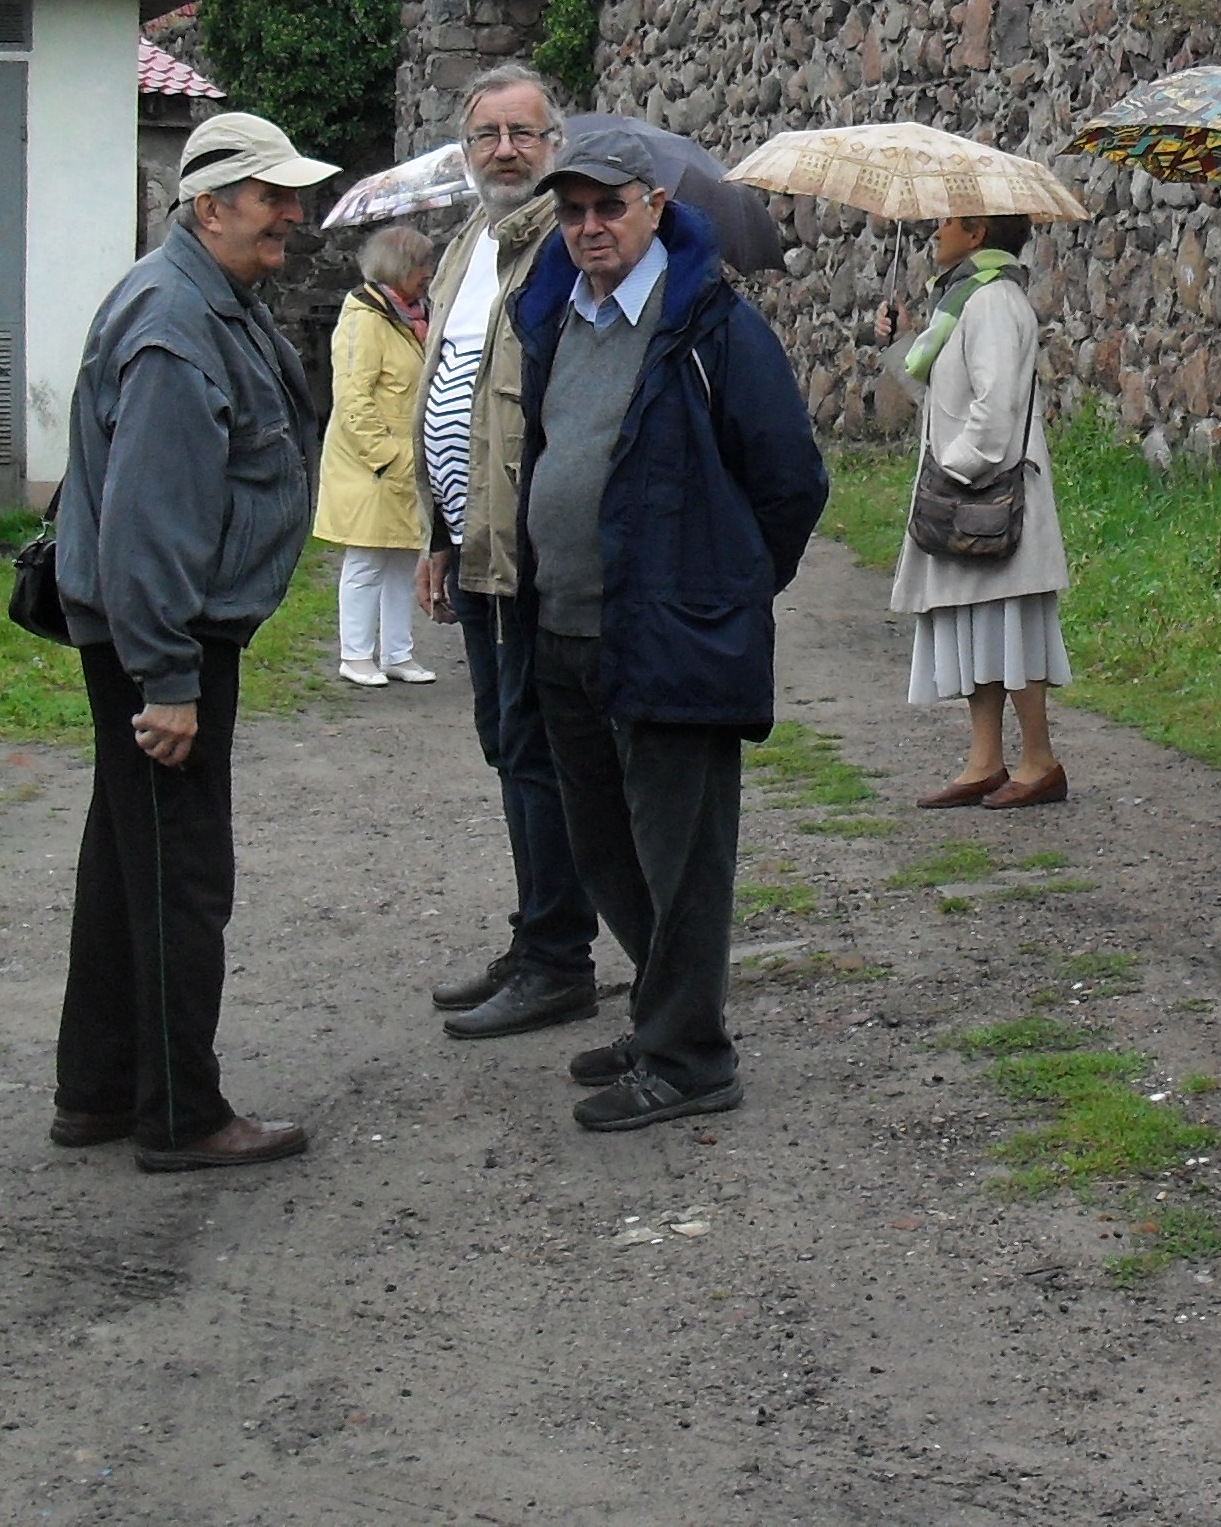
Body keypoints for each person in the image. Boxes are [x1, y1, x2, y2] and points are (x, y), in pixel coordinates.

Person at [512, 123, 827, 1131]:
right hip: (566, 626)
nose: (589, 227)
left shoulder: (711, 326)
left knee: (681, 857)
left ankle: (690, 1056)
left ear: (655, 207)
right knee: (604, 849)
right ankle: (664, 1014)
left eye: (609, 206)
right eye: (573, 211)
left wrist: (723, 589)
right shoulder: (557, 314)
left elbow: (790, 479)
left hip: (668, 630)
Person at [50, 109, 337, 1171]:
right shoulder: (176, 323)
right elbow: (149, 524)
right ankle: (178, 1113)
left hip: (159, 632)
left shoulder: (210, 296)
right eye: (271, 196)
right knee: (180, 871)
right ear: (209, 207)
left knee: (130, 859)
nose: (292, 214)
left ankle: (98, 1091)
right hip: (166, 637)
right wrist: (167, 678)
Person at [413, 65, 604, 1042]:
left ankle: (559, 957)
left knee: (536, 749)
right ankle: (537, 934)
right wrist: (438, 533)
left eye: (523, 133)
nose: (504, 151)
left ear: (555, 145)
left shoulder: (559, 252)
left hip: (531, 556)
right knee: (505, 739)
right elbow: (444, 386)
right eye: (486, 135)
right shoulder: (469, 245)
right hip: (476, 549)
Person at [880, 211, 1071, 809]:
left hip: (990, 490)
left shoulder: (991, 302)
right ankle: (985, 760)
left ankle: (1039, 761)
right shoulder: (963, 300)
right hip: (973, 489)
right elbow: (941, 398)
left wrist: (954, 471)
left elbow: (995, 408)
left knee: (1011, 623)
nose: (936, 231)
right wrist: (900, 344)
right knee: (975, 620)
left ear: (978, 233)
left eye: (948, 221)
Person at [317, 221, 438, 688]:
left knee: (403, 558)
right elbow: (353, 398)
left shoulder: (410, 316)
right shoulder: (364, 319)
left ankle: (396, 653)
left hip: (401, 463)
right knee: (366, 561)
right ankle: (355, 655)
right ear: (399, 268)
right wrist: (387, 457)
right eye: (423, 265)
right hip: (371, 466)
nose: (429, 274)